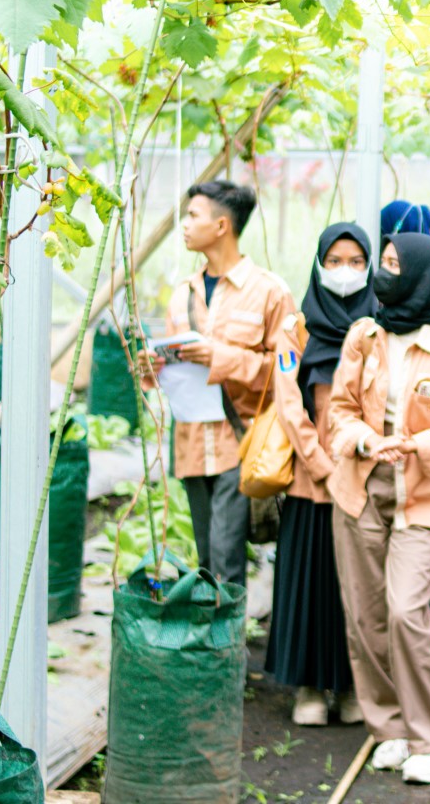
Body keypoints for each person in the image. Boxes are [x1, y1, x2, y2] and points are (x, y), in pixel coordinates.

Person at [325, 232, 430, 786]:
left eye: (397, 264)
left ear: (424, 274)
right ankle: (388, 728)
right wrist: (368, 442)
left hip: (425, 497)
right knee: (365, 617)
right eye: (384, 263)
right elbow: (339, 412)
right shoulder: (364, 336)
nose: (385, 273)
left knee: (405, 612)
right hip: (362, 489)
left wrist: (418, 445)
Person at [161, 181, 293, 588]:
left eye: (193, 216)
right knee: (205, 559)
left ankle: (228, 648)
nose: (184, 224)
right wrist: (152, 366)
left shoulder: (270, 291)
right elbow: (168, 373)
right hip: (189, 441)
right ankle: (209, 642)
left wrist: (222, 358)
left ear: (221, 226)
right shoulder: (182, 292)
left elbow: (288, 369)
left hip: (241, 442)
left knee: (226, 558)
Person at [267, 223, 374, 727]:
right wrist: (323, 466)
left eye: (356, 261)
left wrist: (353, 463)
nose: (345, 271)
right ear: (317, 265)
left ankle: (352, 687)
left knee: (354, 587)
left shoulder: (378, 324)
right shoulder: (296, 328)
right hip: (312, 484)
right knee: (310, 586)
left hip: (364, 478)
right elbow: (290, 405)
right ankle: (308, 687)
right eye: (334, 261)